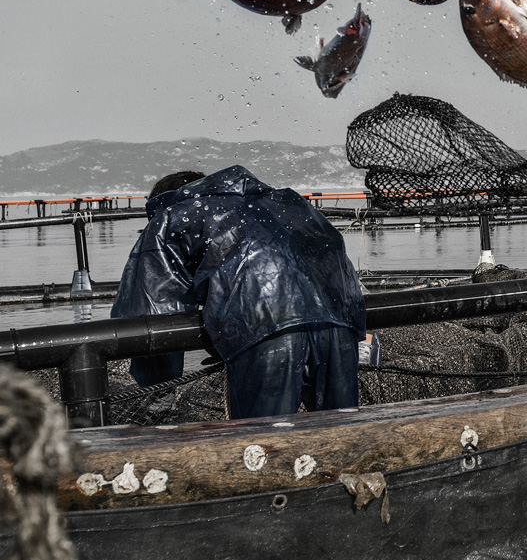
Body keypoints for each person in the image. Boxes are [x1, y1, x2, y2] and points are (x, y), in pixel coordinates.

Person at [111, 165, 367, 419]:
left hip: (264, 331)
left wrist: (160, 392)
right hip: (339, 321)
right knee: (342, 430)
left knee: (260, 445)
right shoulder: (283, 202)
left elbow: (151, 308)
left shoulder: (172, 214)